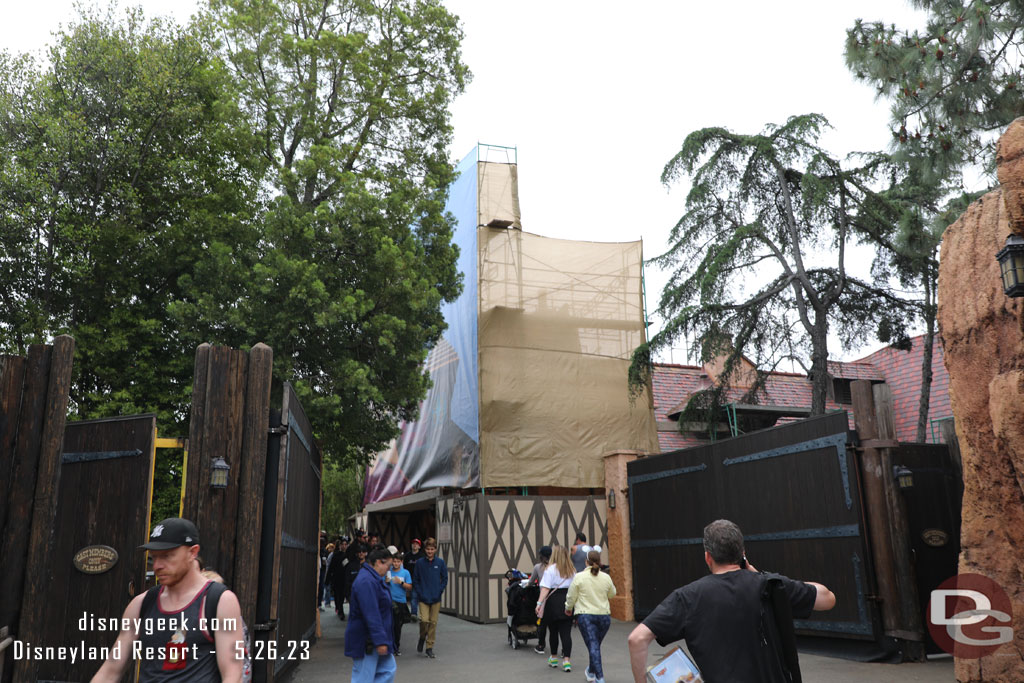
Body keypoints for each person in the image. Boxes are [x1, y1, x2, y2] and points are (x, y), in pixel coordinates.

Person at [627, 519, 837, 683]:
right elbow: (827, 598)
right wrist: (762, 575)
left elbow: (636, 639)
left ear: (708, 557)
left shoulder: (688, 597)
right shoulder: (771, 586)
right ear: (743, 554)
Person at [91, 517, 246, 682]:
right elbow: (110, 671)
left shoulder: (219, 601)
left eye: (167, 556)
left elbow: (232, 674)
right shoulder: (142, 604)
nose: (157, 565)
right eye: (154, 557)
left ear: (192, 552)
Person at [345, 545, 396, 683]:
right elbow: (371, 614)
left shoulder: (370, 579)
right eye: (388, 566)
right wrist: (380, 640)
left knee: (387, 670)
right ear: (379, 562)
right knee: (365, 677)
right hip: (367, 640)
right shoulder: (367, 581)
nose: (389, 570)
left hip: (371, 639)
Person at [566, 550, 616, 683]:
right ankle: (591, 671)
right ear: (599, 562)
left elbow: (571, 596)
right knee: (595, 646)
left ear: (586, 561)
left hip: (585, 615)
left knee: (593, 646)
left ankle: (600, 678)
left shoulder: (579, 577)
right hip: (604, 616)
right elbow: (612, 594)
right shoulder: (606, 577)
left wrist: (568, 608)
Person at [534, 545, 575, 672]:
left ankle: (553, 657)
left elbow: (545, 588)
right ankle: (567, 661)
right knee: (566, 633)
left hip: (553, 602)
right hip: (567, 600)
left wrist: (539, 604)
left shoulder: (550, 569)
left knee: (553, 631)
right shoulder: (572, 570)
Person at [412, 537, 448, 658]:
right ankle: (422, 636)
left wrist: (440, 590)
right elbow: (415, 579)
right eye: (428, 549)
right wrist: (419, 592)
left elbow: (445, 578)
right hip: (423, 597)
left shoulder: (440, 562)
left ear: (435, 550)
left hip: (435, 597)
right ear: (425, 549)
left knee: (433, 623)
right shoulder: (420, 563)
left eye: (432, 549)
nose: (430, 551)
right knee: (424, 620)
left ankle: (429, 646)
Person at [385, 547, 412, 655]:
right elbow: (383, 585)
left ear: (401, 562)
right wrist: (386, 582)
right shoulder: (388, 572)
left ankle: (396, 645)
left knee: (398, 626)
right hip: (390, 601)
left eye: (398, 562)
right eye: (394, 561)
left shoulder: (405, 573)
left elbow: (409, 587)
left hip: (401, 601)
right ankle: (392, 646)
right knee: (390, 624)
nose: (396, 564)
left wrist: (401, 583)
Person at [529, 545, 552, 654]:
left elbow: (531, 582)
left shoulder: (538, 567)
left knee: (542, 622)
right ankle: (560, 650)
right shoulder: (556, 566)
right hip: (555, 596)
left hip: (543, 597)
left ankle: (541, 645)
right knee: (555, 625)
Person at [326, 536, 351, 619]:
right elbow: (331, 568)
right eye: (342, 544)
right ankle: (340, 610)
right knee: (338, 596)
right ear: (340, 545)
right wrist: (327, 579)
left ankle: (341, 610)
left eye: (345, 544)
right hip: (338, 579)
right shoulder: (336, 555)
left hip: (346, 579)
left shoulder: (349, 555)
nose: (344, 546)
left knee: (344, 595)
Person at [403, 538, 425, 619]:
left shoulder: (422, 556)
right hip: (410, 579)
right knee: (414, 596)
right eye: (413, 543)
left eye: (416, 544)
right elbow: (404, 567)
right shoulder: (407, 556)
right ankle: (414, 613)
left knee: (421, 597)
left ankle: (422, 614)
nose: (414, 545)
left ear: (419, 546)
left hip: (420, 579)